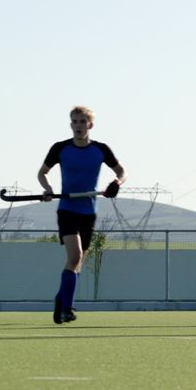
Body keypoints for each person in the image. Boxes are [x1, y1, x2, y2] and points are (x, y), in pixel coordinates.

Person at [38, 106, 126, 324]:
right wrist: (48, 189)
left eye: (82, 122)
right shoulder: (60, 148)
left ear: (90, 125)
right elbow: (42, 173)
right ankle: (66, 308)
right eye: (75, 122)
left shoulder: (101, 149)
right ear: (71, 125)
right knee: (75, 256)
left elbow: (122, 172)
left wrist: (116, 183)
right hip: (67, 210)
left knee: (78, 262)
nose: (78, 126)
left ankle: (61, 300)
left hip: (88, 212)